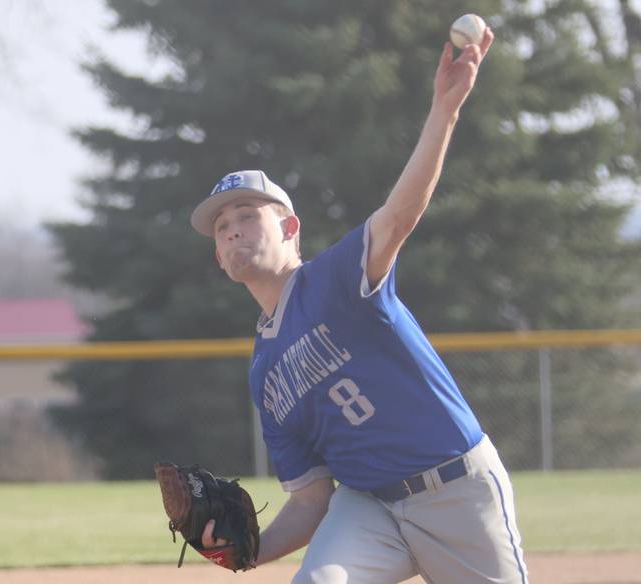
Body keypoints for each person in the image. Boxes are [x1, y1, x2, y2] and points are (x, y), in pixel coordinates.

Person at [190, 28, 528, 584]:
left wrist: (444, 111)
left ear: (290, 228)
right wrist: (246, 552)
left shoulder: (339, 278)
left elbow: (399, 214)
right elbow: (309, 501)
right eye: (221, 227)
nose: (231, 231)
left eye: (248, 214)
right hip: (369, 507)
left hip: (458, 492)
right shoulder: (264, 373)